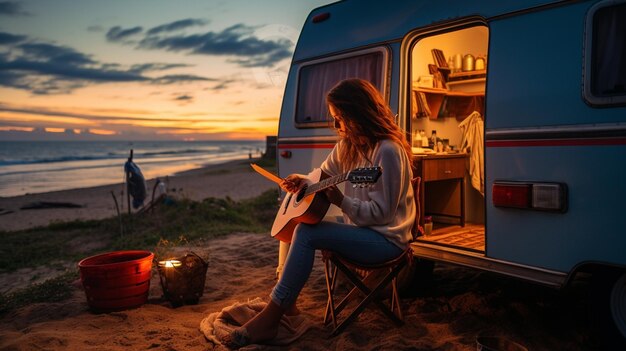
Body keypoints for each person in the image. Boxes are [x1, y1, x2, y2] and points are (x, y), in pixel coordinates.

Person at [223, 78, 416, 347]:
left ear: (359, 113)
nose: (337, 126)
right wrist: (301, 181)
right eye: (335, 118)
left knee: (306, 232)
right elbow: (321, 176)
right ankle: (284, 304)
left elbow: (383, 215)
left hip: (386, 241)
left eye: (341, 118)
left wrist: (341, 200)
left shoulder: (388, 151)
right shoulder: (348, 146)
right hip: (361, 230)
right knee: (295, 224)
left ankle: (272, 315)